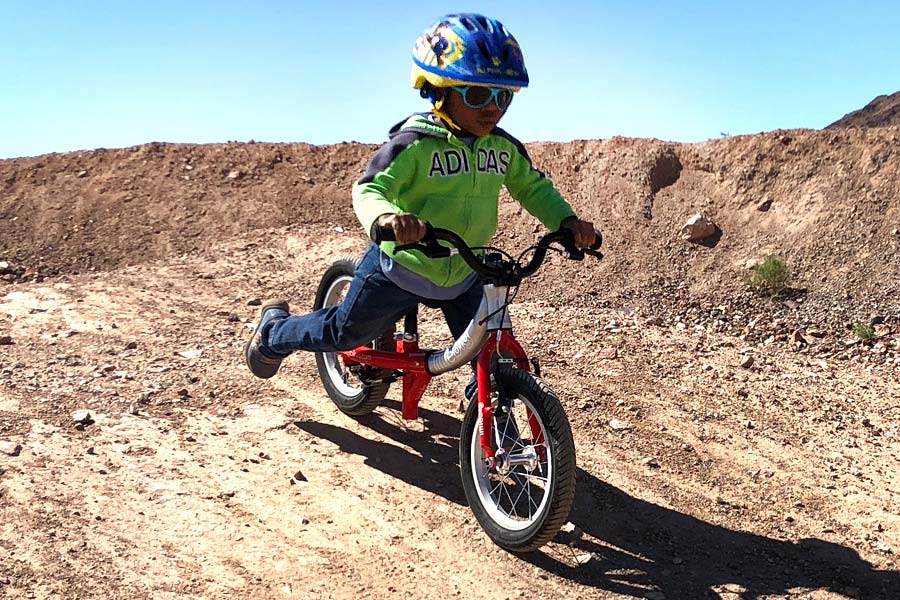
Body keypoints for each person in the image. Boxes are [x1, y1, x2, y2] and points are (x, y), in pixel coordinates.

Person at [244, 13, 595, 385]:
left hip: (464, 268)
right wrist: (387, 220)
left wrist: (566, 223)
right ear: (438, 91)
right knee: (343, 334)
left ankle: (495, 416)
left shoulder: (502, 147)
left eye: (503, 96)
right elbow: (370, 188)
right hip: (402, 266)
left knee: (494, 357)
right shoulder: (414, 144)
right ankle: (273, 333)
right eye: (477, 94)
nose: (493, 108)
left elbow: (533, 188)